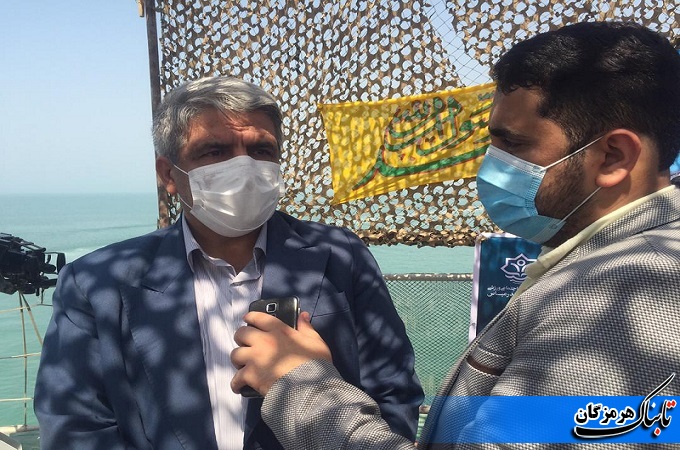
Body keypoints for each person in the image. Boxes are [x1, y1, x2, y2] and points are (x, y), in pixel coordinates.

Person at [230, 21, 680, 448]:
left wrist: (298, 384)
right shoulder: (615, 260)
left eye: (514, 144)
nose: (491, 165)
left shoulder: (633, 294)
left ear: (613, 157)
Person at [34, 76, 423, 450]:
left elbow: (393, 391)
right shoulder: (95, 284)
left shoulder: (341, 255)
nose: (245, 167)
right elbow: (76, 428)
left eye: (261, 150)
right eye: (214, 151)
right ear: (169, 174)